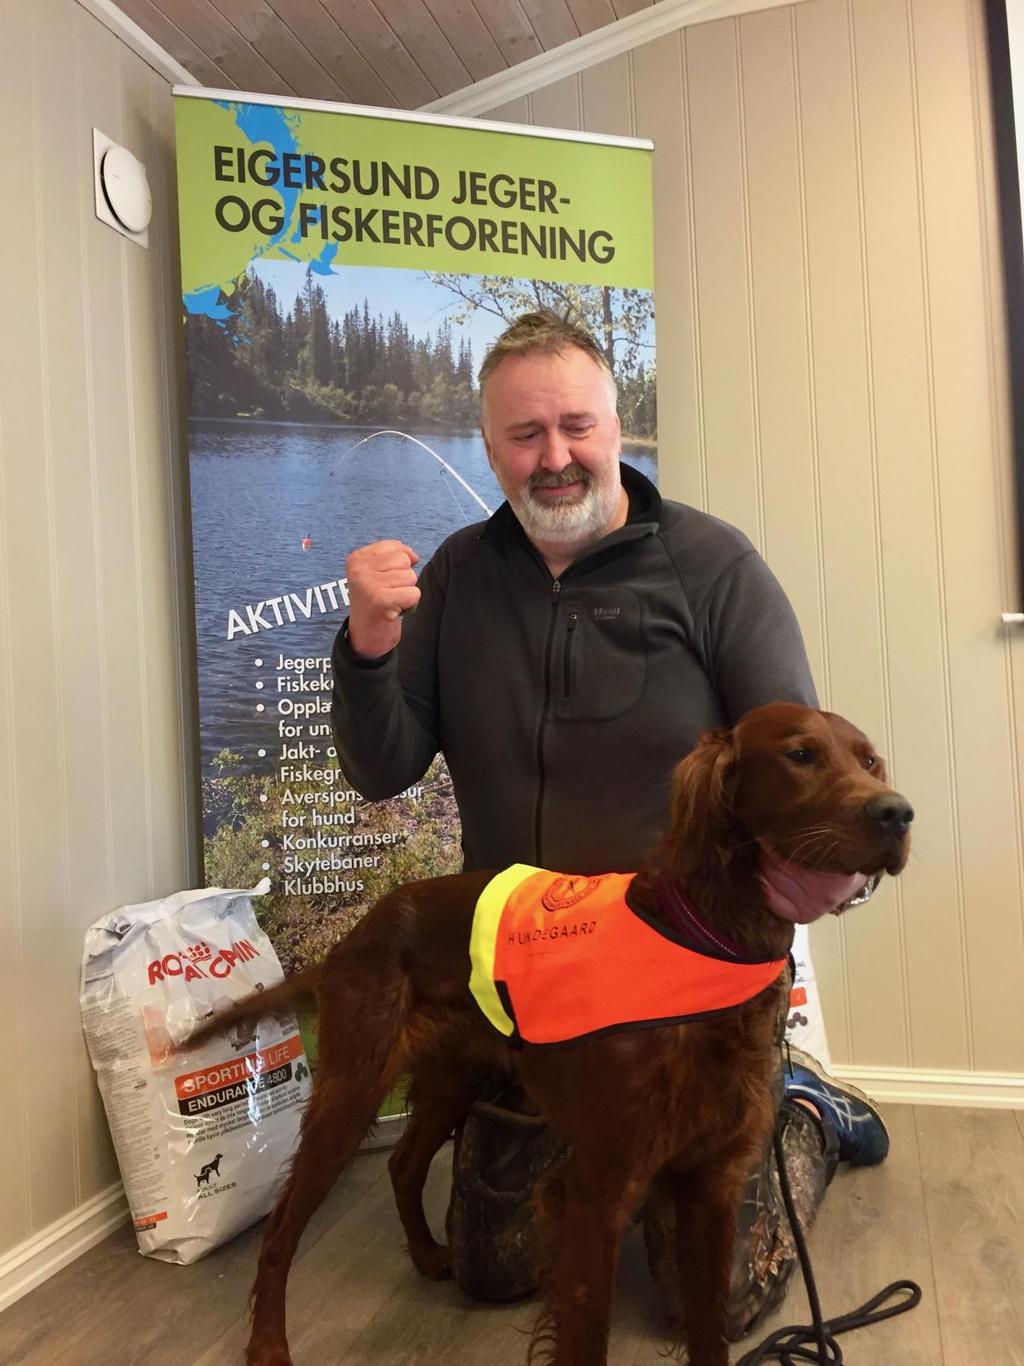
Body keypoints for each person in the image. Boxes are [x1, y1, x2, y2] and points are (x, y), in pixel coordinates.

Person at [330, 309, 889, 1337]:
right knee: (494, 1272)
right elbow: (381, 767)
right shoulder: (455, 576)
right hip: (531, 983)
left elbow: (803, 780)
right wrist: (368, 642)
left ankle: (801, 1107)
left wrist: (828, 880)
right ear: (487, 444)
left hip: (692, 990)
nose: (554, 458)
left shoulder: (713, 566)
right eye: (524, 434)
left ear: (619, 426)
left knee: (705, 1298)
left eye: (576, 426)